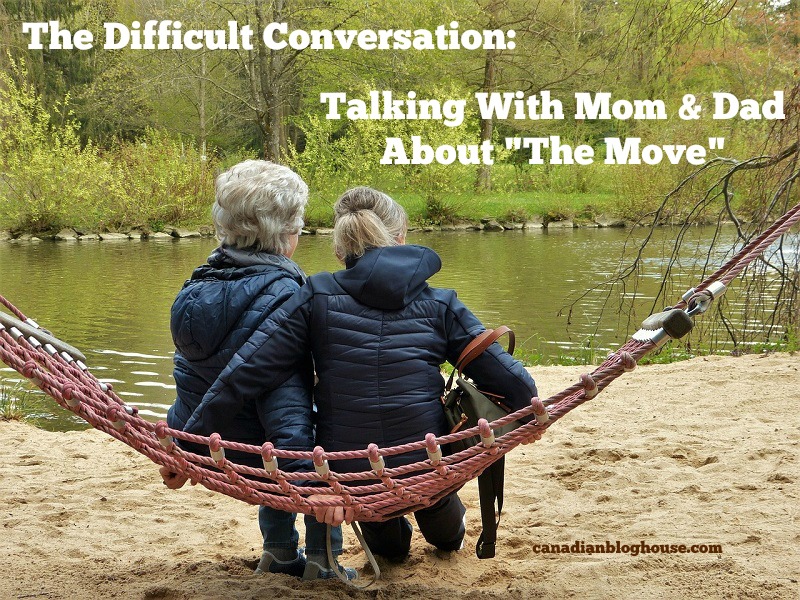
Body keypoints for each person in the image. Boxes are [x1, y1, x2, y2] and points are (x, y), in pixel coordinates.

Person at [184, 186, 538, 562]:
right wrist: (530, 414)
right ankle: (442, 522)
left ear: (340, 249)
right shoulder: (441, 303)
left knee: (390, 550)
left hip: (353, 475)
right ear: (401, 238)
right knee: (441, 519)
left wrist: (187, 444)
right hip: (428, 460)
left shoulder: (315, 295)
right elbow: (513, 382)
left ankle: (400, 528)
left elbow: (247, 372)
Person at [161, 159, 350, 580]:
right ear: (285, 235)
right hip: (264, 447)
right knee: (329, 429)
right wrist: (309, 486)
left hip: (213, 440)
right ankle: (325, 559)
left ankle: (279, 551)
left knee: (274, 437)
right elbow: (287, 405)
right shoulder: (288, 295)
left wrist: (180, 442)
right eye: (298, 226)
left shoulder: (195, 286)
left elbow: (191, 377)